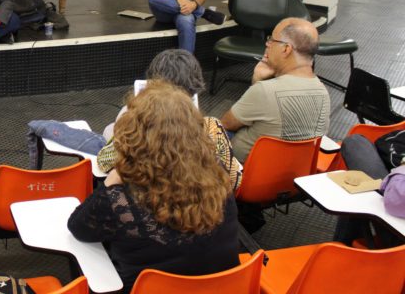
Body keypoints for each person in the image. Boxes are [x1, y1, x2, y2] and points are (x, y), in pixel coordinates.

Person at [67, 81, 239, 294]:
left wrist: (112, 179)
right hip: (223, 288)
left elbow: (77, 228)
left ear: (134, 135)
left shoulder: (120, 200)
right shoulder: (219, 175)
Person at [26, 50, 241, 191]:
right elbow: (235, 180)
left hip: (151, 215)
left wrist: (127, 124)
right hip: (204, 223)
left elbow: (105, 161)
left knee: (111, 131)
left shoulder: (140, 130)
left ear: (154, 85)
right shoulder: (213, 127)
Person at [221, 17, 330, 162]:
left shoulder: (265, 91)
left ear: (286, 49)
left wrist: (257, 83)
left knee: (211, 127)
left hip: (243, 171)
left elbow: (226, 123)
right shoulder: (323, 93)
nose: (267, 44)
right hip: (294, 174)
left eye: (272, 40)